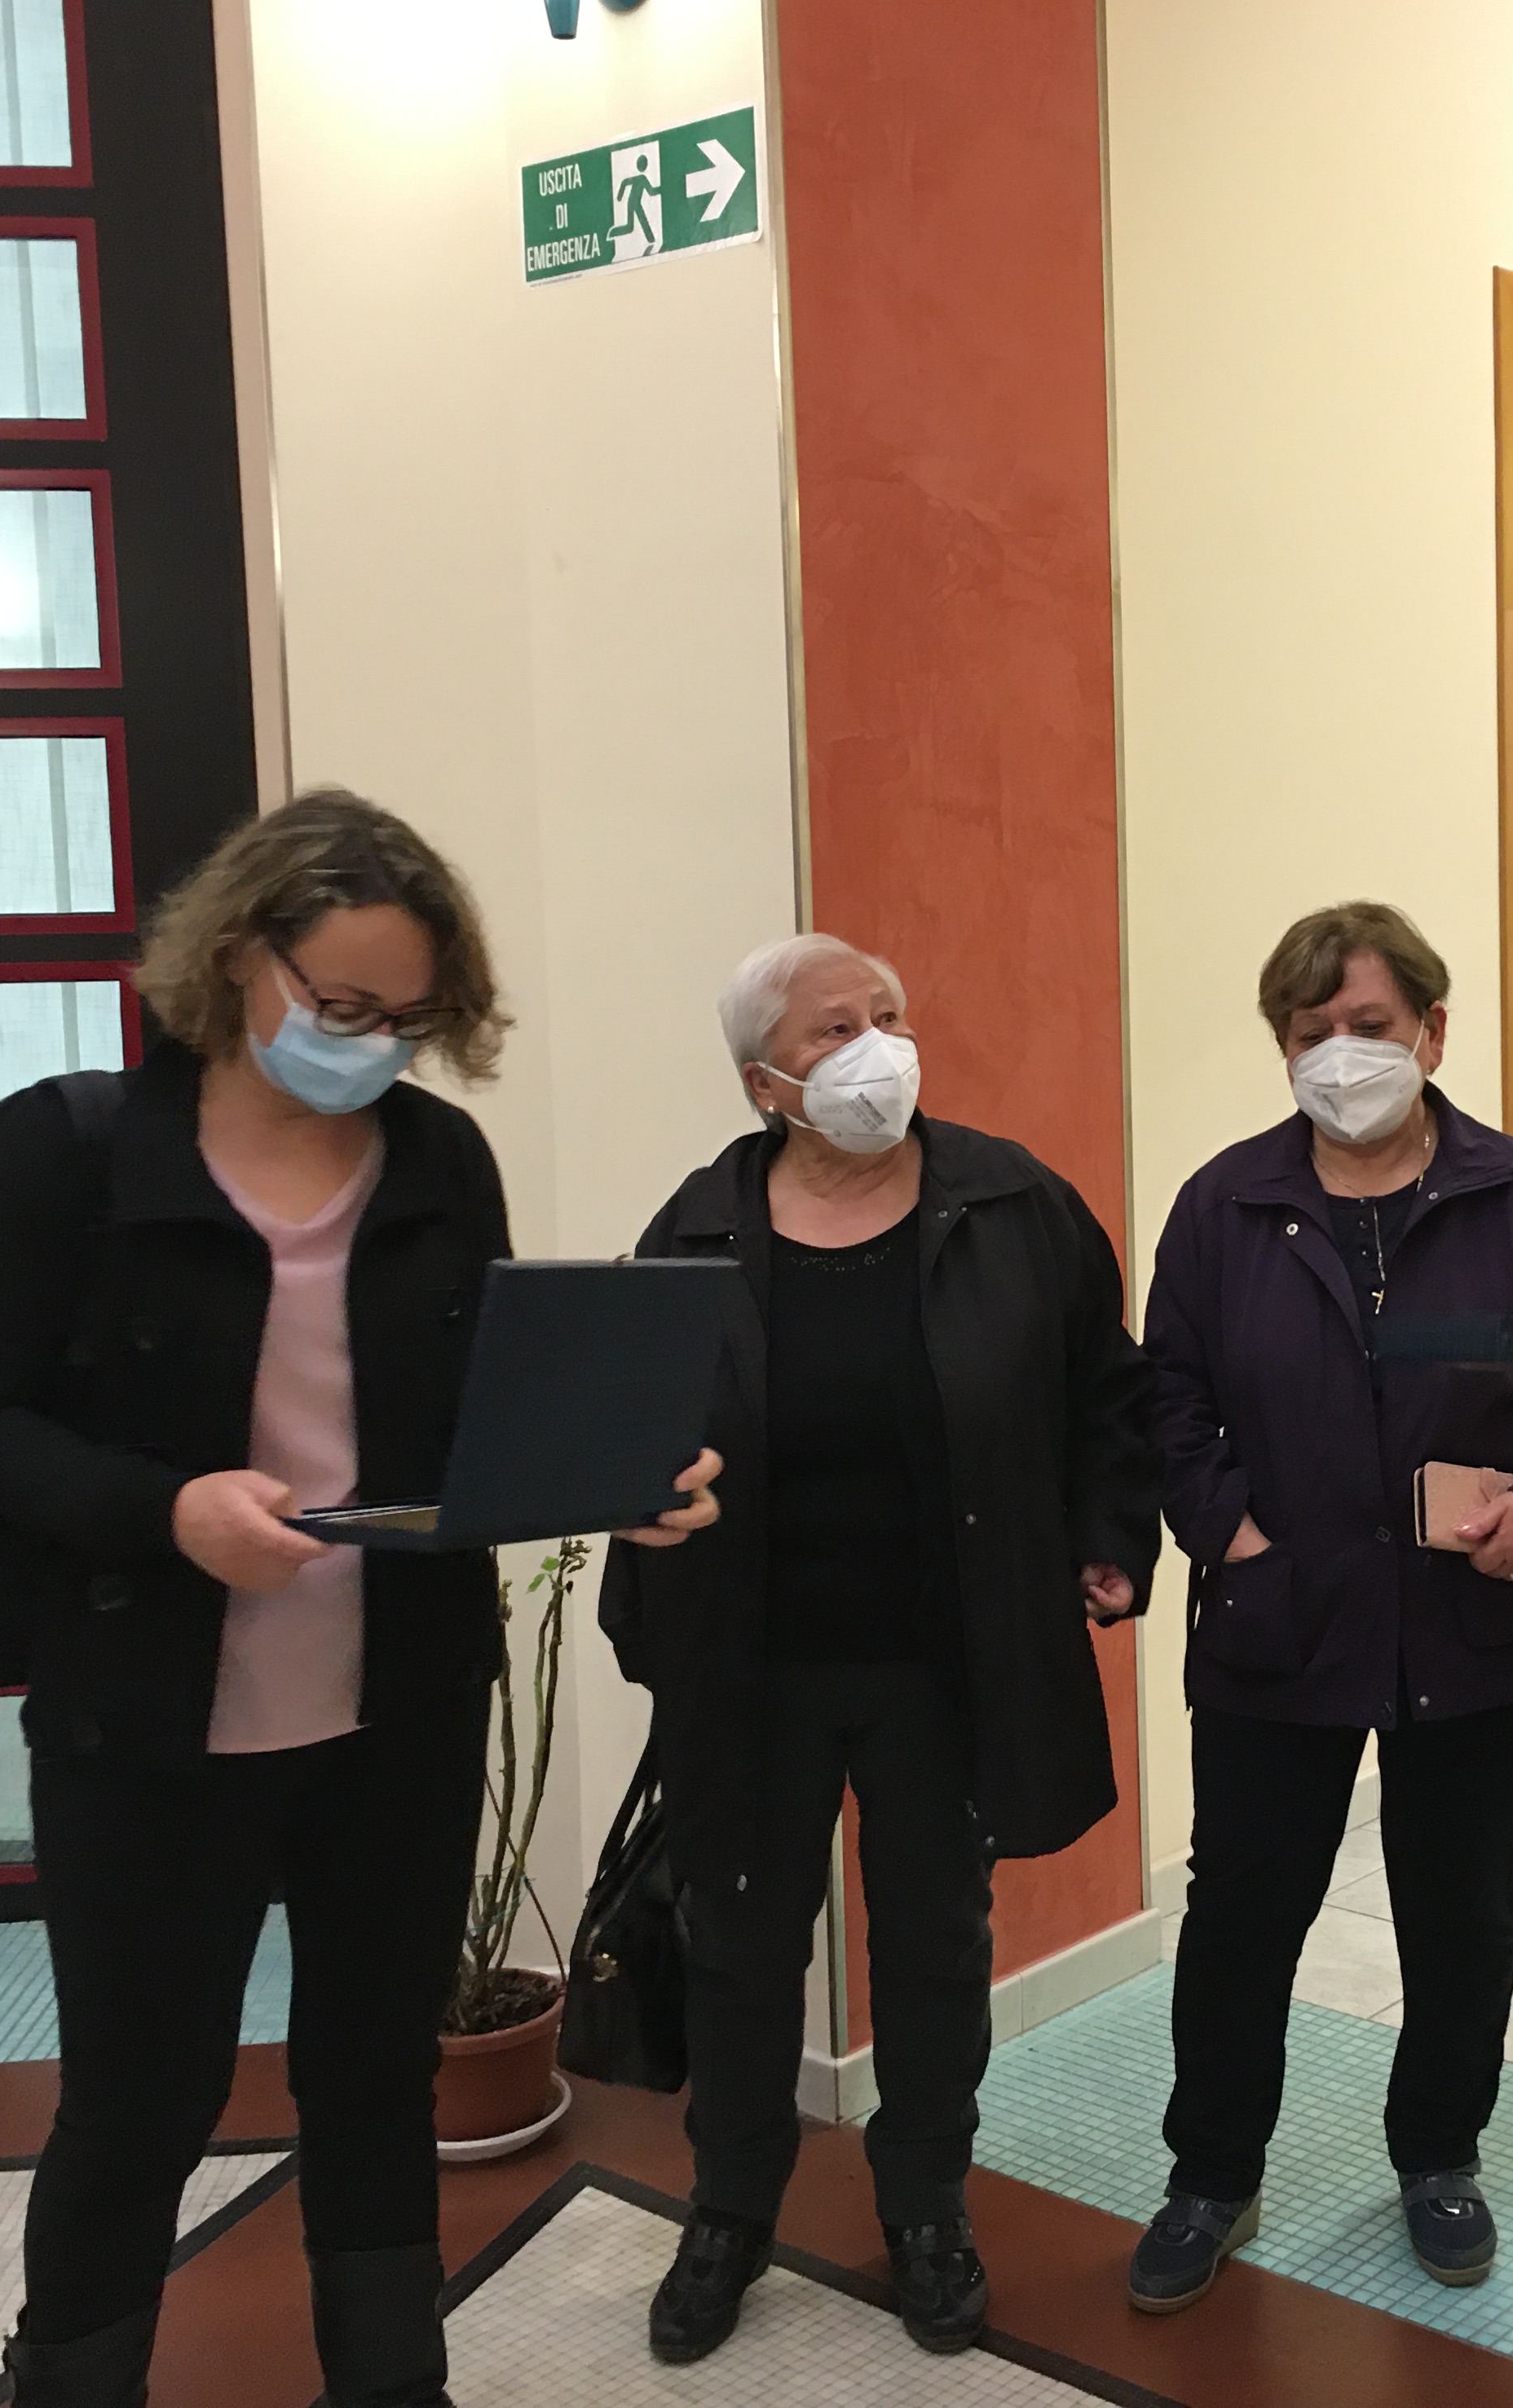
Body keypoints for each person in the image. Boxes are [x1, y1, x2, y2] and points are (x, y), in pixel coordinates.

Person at [0, 789, 720, 2408]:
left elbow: (466, 1432)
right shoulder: (64, 1152)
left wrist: (609, 1477)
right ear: (242, 953)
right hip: (147, 1717)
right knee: (140, 2099)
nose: (371, 1045)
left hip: (397, 1709)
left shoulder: (438, 1160)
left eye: (406, 1019)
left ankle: (393, 2385)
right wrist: (165, 1510)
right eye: (342, 1004)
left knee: (377, 2082)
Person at [600, 934, 1159, 2365]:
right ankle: (729, 2209)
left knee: (932, 1944)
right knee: (738, 1946)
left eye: (887, 1014)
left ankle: (925, 2204)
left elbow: (1105, 1388)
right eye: (832, 1029)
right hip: (751, 1664)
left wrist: (1108, 1530)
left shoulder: (1014, 1202)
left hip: (942, 1659)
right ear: (764, 1083)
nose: (875, 1047)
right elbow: (627, 1432)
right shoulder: (693, 1227)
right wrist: (633, 1515)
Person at [1131, 902, 1513, 2313]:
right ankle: (1210, 2172)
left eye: (1369, 1025)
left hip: (1478, 1626)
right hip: (1276, 1624)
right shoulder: (1224, 1205)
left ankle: (1438, 2155)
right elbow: (1166, 1398)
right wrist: (1230, 1531)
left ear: (1433, 1030)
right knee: (1241, 1916)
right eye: (1312, 1034)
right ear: (1280, 1049)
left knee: (1462, 1915)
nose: (1341, 1054)